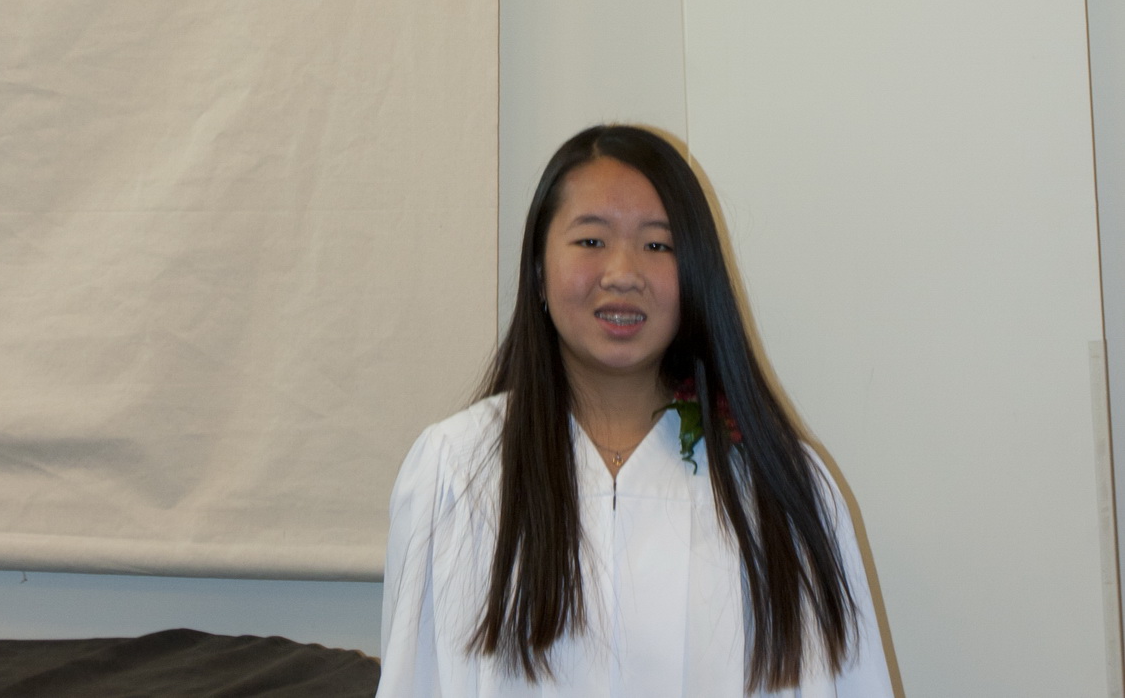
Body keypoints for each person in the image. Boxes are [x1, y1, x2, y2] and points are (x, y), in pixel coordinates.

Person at [378, 124, 895, 696]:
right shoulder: (457, 472)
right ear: (539, 272)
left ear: (694, 277)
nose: (623, 275)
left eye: (657, 246)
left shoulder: (777, 486)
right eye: (591, 241)